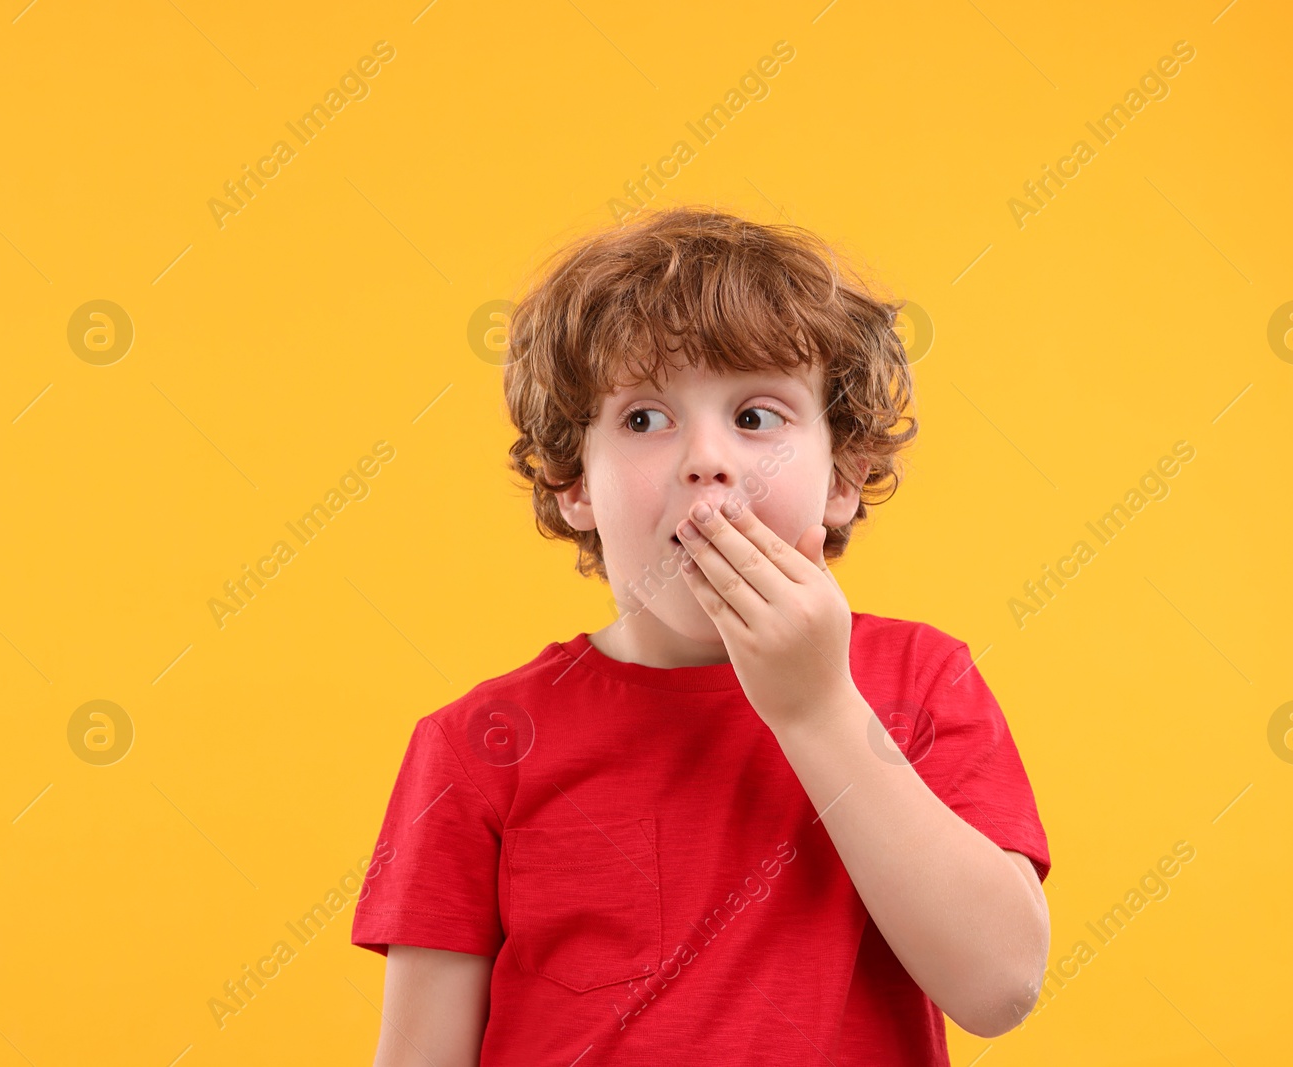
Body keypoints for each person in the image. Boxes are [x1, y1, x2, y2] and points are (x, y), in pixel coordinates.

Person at [350, 205, 1052, 1065]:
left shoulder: (920, 679)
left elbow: (1001, 983)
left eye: (756, 417)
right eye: (645, 419)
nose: (705, 458)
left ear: (844, 477)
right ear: (574, 484)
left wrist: (817, 706)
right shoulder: (476, 746)